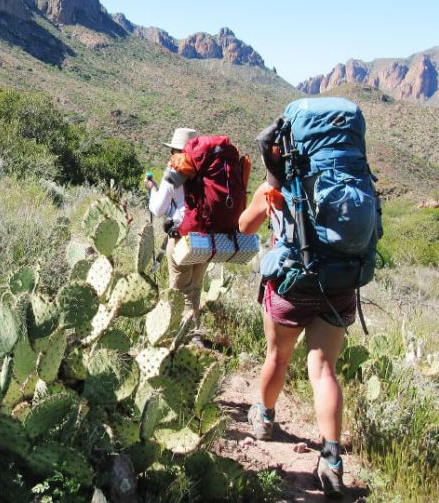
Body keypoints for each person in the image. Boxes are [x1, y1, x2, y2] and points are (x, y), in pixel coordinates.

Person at [237, 125, 355, 498]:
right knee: (323, 370)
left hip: (291, 286)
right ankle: (332, 460)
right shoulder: (347, 180)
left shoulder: (276, 184)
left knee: (278, 355)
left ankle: (265, 419)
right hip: (338, 284)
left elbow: (244, 226)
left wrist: (264, 199)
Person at [145, 127, 209, 344]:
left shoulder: (174, 171)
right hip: (207, 239)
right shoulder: (208, 171)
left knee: (181, 290)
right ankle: (192, 331)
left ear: (175, 150)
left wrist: (152, 189)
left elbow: (158, 209)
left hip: (183, 239)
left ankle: (187, 337)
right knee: (196, 287)